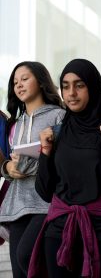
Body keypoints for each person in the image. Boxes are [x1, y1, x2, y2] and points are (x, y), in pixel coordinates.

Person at [28, 58, 101, 278]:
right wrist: (45, 152)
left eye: (79, 85)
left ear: (93, 87)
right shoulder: (57, 133)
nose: (71, 93)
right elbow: (44, 191)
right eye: (66, 86)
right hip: (59, 232)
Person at [0, 61, 65, 278]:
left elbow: (65, 160)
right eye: (15, 82)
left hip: (46, 202)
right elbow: (7, 164)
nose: (19, 85)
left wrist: (32, 162)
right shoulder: (15, 124)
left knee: (26, 255)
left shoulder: (59, 116)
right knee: (19, 270)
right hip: (18, 202)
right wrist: (9, 167)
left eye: (25, 78)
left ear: (40, 81)